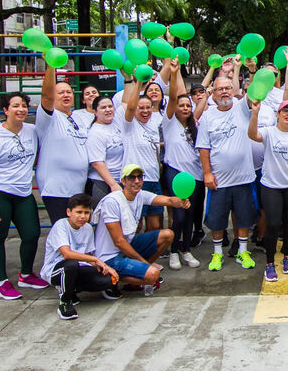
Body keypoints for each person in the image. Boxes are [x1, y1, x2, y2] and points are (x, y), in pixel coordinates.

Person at [0, 92, 48, 300]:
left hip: (23, 192)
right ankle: (1, 282)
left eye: (24, 105)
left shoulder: (32, 131)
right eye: (15, 106)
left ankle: (26, 274)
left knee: (32, 233)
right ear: (5, 110)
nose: (21, 109)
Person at [197, 74, 260, 272]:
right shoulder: (208, 116)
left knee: (243, 217)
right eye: (219, 89)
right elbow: (203, 148)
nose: (224, 91)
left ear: (233, 90)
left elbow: (253, 94)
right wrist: (207, 173)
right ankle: (217, 254)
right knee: (217, 219)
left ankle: (243, 250)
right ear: (213, 94)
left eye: (227, 88)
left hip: (244, 177)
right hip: (219, 180)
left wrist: (251, 70)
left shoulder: (242, 107)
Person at [247, 99, 288, 281]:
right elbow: (252, 135)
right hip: (271, 186)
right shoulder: (269, 132)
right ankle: (270, 263)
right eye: (285, 111)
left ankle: (286, 258)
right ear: (278, 114)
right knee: (273, 224)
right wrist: (254, 113)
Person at [93, 164, 184, 296]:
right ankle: (109, 279)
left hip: (127, 246)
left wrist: (180, 201)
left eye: (139, 177)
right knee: (152, 275)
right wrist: (143, 262)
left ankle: (136, 274)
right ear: (123, 181)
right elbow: (118, 241)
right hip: (110, 257)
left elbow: (167, 200)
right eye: (131, 178)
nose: (137, 181)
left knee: (168, 235)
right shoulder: (112, 202)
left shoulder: (140, 195)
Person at [39, 193, 119, 320]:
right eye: (79, 212)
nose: (83, 216)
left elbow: (86, 256)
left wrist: (105, 267)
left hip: (78, 267)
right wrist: (95, 259)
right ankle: (65, 303)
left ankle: (72, 290)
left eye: (86, 213)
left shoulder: (87, 228)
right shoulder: (61, 225)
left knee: (107, 280)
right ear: (69, 212)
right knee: (71, 265)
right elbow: (66, 254)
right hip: (56, 269)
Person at [37, 62, 90, 225]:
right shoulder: (49, 118)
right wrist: (51, 66)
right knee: (62, 232)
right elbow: (46, 96)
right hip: (57, 190)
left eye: (69, 91)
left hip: (78, 188)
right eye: (60, 93)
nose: (66, 95)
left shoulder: (78, 117)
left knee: (76, 232)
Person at [161, 68, 204, 269]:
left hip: (195, 177)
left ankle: (186, 250)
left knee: (190, 214)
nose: (185, 108)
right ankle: (173, 251)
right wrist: (174, 73)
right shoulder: (169, 123)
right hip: (175, 173)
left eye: (188, 105)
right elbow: (171, 98)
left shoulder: (195, 126)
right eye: (182, 105)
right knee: (178, 214)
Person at [119, 76, 164, 233]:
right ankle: (132, 256)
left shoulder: (154, 123)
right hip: (135, 182)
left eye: (148, 108)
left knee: (155, 225)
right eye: (141, 108)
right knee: (135, 225)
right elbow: (129, 107)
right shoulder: (129, 125)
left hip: (153, 179)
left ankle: (147, 257)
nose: (145, 111)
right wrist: (137, 84)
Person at [85, 96, 123, 206]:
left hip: (120, 179)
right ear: (95, 111)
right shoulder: (95, 133)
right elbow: (97, 163)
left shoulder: (116, 123)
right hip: (102, 183)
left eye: (110, 106)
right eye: (103, 107)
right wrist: (113, 185)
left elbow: (125, 102)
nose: (108, 110)